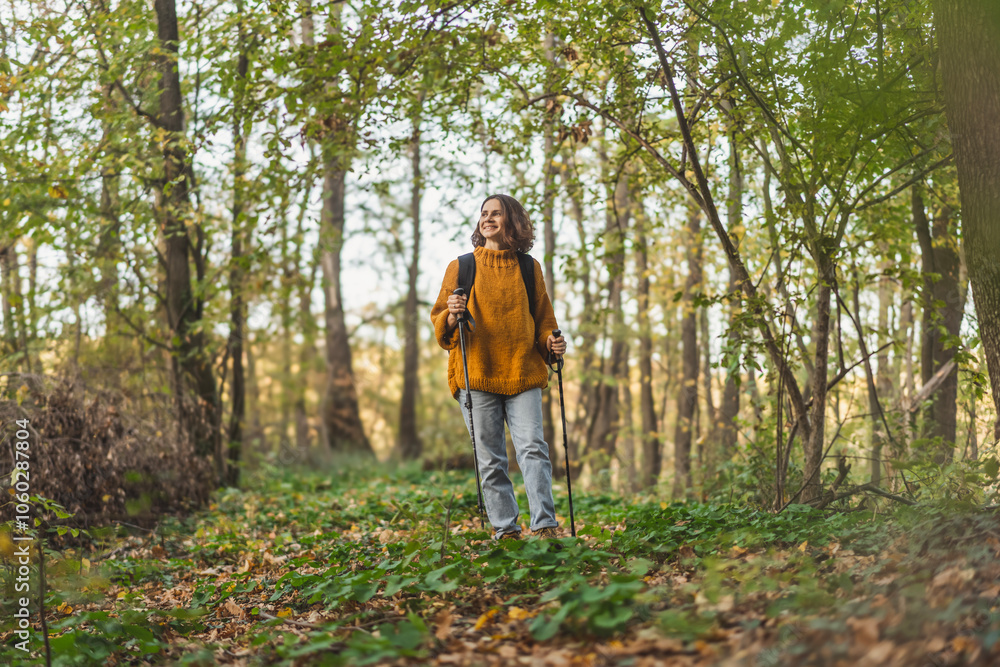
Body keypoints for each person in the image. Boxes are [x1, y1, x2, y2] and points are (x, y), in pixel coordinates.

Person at [430, 194, 567, 541]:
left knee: (533, 448)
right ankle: (506, 531)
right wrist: (452, 312)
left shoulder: (528, 268)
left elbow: (543, 321)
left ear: (513, 221)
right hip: (476, 371)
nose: (488, 219)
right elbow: (439, 318)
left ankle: (545, 526)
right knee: (490, 459)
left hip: (522, 371)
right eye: (484, 214)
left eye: (497, 214)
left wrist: (551, 342)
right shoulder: (461, 266)